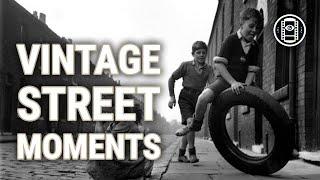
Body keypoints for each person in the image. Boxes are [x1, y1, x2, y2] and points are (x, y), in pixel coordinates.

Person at [175, 8, 262, 136]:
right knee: (203, 97)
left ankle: (287, 144)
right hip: (225, 81)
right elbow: (219, 65)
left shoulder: (255, 46)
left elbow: (251, 70)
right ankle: (194, 124)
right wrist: (232, 82)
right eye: (251, 26)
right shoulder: (231, 40)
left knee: (265, 102)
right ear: (242, 24)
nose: (254, 30)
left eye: (257, 27)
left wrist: (247, 87)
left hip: (244, 83)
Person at [168, 41, 214, 163]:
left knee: (188, 128)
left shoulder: (209, 69)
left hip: (199, 99)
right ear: (193, 54)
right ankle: (192, 152)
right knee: (190, 123)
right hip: (185, 97)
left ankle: (181, 155)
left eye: (204, 52)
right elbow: (172, 78)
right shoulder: (186, 66)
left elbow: (213, 84)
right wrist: (172, 97)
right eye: (198, 52)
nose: (201, 55)